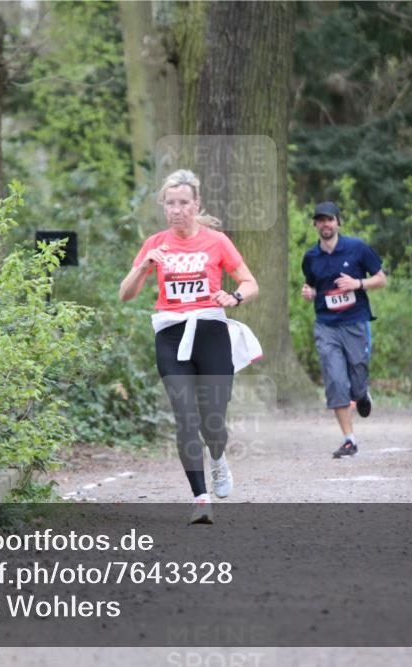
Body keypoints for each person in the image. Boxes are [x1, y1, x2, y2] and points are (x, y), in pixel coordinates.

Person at [119, 169, 261, 524]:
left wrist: (235, 296)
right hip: (170, 334)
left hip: (211, 331)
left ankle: (217, 458)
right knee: (185, 417)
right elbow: (125, 294)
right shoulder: (154, 243)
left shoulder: (217, 241)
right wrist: (143, 268)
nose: (177, 209)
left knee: (213, 421)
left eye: (184, 203)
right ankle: (200, 499)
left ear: (196, 204)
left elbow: (249, 281)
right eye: (170, 204)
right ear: (164, 207)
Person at [300, 202, 387, 458]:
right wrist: (310, 292)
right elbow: (314, 286)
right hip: (326, 326)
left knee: (358, 374)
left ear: (338, 222)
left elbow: (381, 278)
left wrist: (357, 283)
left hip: (355, 322)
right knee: (335, 380)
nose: (325, 224)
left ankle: (361, 394)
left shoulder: (357, 248)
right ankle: (349, 439)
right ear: (315, 225)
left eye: (330, 220)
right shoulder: (311, 257)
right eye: (320, 220)